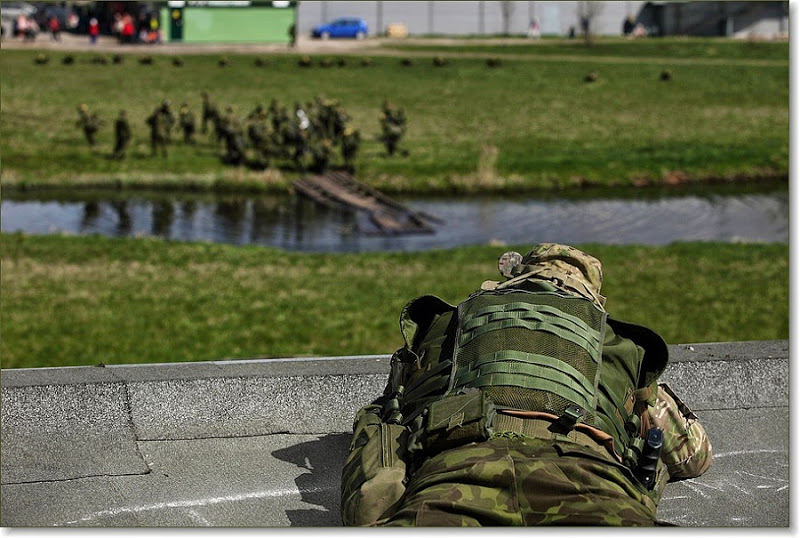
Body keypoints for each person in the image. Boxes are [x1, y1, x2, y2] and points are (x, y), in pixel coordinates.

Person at [341, 243, 712, 527]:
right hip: (588, 477)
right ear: (591, 298)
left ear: (515, 279)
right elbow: (693, 456)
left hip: (455, 470)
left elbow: (396, 410)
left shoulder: (450, 324)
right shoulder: (614, 343)